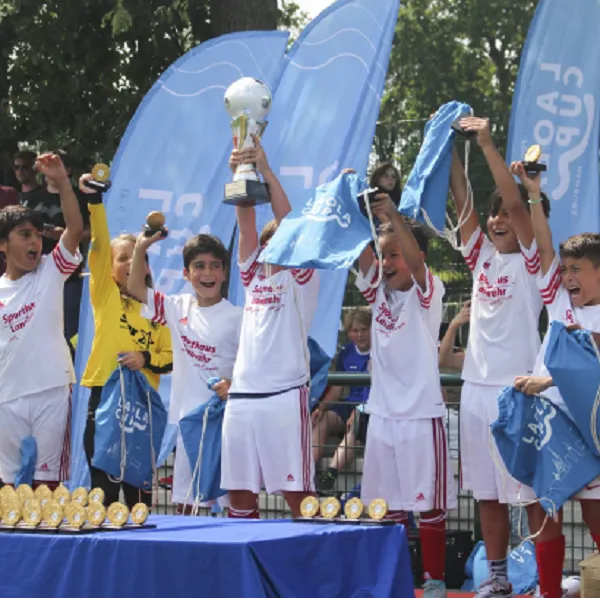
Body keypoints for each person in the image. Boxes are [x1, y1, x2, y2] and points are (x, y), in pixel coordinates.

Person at [449, 116, 550, 598]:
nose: (498, 220)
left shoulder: (534, 262)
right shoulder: (481, 257)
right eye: (493, 216)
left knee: (528, 496)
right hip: (474, 393)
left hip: (518, 392)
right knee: (488, 496)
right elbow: (462, 201)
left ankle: (544, 583)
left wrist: (487, 144)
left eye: (506, 215)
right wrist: (444, 148)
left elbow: (514, 199)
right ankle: (498, 578)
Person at [356, 194, 455, 598]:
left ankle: (434, 582)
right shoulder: (377, 295)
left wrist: (393, 215)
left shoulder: (428, 293)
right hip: (381, 417)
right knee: (388, 507)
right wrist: (350, 205)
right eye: (385, 256)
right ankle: (395, 580)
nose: (388, 264)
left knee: (427, 506)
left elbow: (415, 265)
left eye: (395, 254)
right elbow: (359, 256)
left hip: (420, 416)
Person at [509, 160, 600, 598]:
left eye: (577, 270)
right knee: (542, 515)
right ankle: (548, 592)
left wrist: (546, 382)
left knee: (598, 522)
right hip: (545, 425)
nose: (566, 277)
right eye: (565, 270)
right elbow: (543, 246)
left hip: (590, 430)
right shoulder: (558, 298)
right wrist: (532, 192)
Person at [221, 136, 320, 519]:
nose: (269, 248)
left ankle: (314, 573)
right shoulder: (253, 277)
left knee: (298, 496)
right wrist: (240, 172)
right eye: (266, 244)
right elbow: (245, 223)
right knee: (240, 496)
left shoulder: (302, 279)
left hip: (284, 393)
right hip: (243, 396)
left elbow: (291, 224)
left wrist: (263, 167)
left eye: (278, 241)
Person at [128, 230, 242, 514]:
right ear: (187, 273)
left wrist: (233, 384)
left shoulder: (239, 318)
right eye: (199, 266)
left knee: (231, 503)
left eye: (215, 265)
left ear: (225, 273)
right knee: (186, 504)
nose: (208, 273)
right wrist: (142, 246)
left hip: (225, 422)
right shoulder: (177, 306)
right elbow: (135, 288)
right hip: (189, 424)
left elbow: (253, 367)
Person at [78, 173, 172, 509]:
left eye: (137, 257)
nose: (130, 263)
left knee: (138, 492)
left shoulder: (157, 307)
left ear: (146, 266)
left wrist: (145, 358)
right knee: (102, 486)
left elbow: (169, 356)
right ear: (109, 268)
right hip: (105, 394)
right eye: (122, 258)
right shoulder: (105, 297)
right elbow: (100, 245)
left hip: (142, 405)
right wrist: (94, 202)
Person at [0, 153, 83, 489]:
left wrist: (61, 181)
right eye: (24, 235)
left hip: (51, 391)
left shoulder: (51, 270)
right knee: (8, 489)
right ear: (3, 245)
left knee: (45, 489)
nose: (35, 241)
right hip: (7, 397)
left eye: (36, 234)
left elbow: (75, 228)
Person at [17, 149, 91, 348]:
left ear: (68, 169)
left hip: (65, 271)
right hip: (31, 272)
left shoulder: (78, 197)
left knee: (67, 331)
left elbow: (85, 230)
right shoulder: (32, 197)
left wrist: (64, 234)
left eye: (57, 165)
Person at [312, 308, 371, 466]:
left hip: (371, 407)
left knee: (357, 423)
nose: (360, 335)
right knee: (323, 418)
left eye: (364, 330)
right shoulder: (346, 352)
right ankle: (309, 473)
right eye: (355, 330)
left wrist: (361, 409)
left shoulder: (381, 351)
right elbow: (337, 389)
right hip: (349, 404)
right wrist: (321, 408)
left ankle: (332, 472)